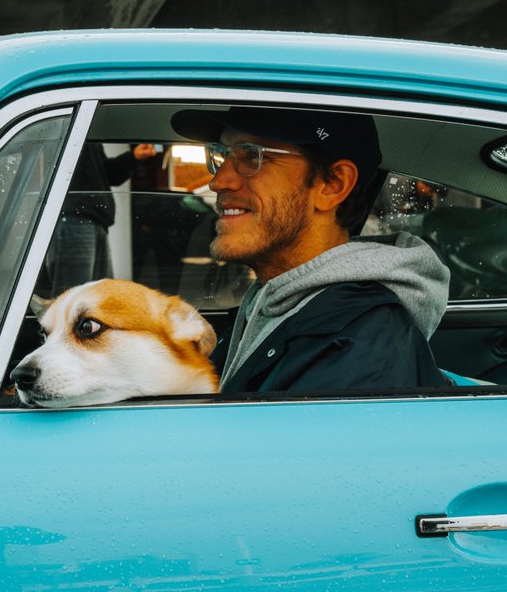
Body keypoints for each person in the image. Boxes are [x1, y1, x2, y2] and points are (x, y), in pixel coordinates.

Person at [170, 106, 450, 395]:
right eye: (222, 155)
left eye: (252, 155)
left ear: (333, 184)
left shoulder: (359, 350)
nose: (218, 181)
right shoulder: (275, 303)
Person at [44, 141, 157, 295]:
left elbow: (106, 174)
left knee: (98, 295)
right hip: (75, 217)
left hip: (93, 219)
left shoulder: (88, 137)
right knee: (75, 296)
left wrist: (133, 157)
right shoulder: (75, 130)